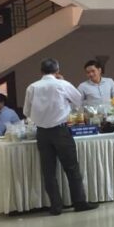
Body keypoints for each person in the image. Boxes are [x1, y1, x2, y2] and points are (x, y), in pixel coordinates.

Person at [23, 58, 98, 215]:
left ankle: (56, 206)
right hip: (61, 131)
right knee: (71, 168)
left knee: (48, 171)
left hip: (42, 133)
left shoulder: (32, 87)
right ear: (57, 71)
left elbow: (26, 111)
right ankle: (79, 202)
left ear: (41, 71)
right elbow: (78, 101)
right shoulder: (62, 84)